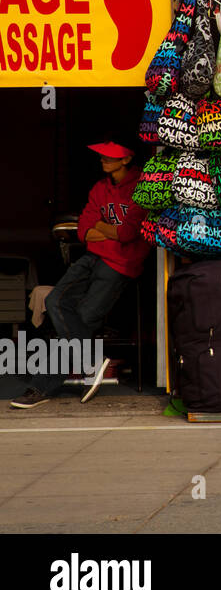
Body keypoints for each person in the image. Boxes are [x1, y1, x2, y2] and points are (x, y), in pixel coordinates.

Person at [10, 143, 150, 409]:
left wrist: (103, 231)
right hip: (93, 257)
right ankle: (92, 363)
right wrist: (105, 232)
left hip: (120, 263)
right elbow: (84, 229)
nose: (103, 159)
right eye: (101, 155)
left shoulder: (142, 187)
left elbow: (128, 234)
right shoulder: (100, 187)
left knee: (81, 320)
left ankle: (40, 387)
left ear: (127, 159)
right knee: (55, 302)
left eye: (111, 156)